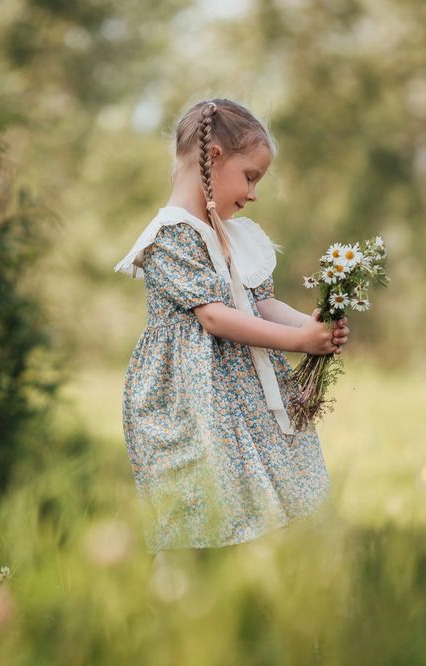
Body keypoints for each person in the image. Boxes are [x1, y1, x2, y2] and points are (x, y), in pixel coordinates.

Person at [113, 98, 347, 566]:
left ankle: (253, 595)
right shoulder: (172, 235)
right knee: (201, 512)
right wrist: (299, 343)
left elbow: (261, 304)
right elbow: (215, 317)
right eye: (251, 176)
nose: (254, 192)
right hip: (194, 402)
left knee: (261, 502)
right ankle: (174, 603)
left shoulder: (232, 234)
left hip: (243, 395)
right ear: (214, 157)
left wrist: (313, 325)